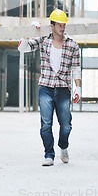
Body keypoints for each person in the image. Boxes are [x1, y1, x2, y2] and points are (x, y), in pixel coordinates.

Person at [18, 9, 81, 166]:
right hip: (45, 87)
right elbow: (22, 48)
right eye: (59, 25)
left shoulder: (72, 44)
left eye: (64, 25)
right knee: (46, 124)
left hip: (63, 89)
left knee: (66, 124)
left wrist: (77, 88)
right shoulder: (43, 41)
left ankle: (63, 147)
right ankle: (49, 154)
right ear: (52, 26)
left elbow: (76, 68)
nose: (62, 28)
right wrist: (28, 31)